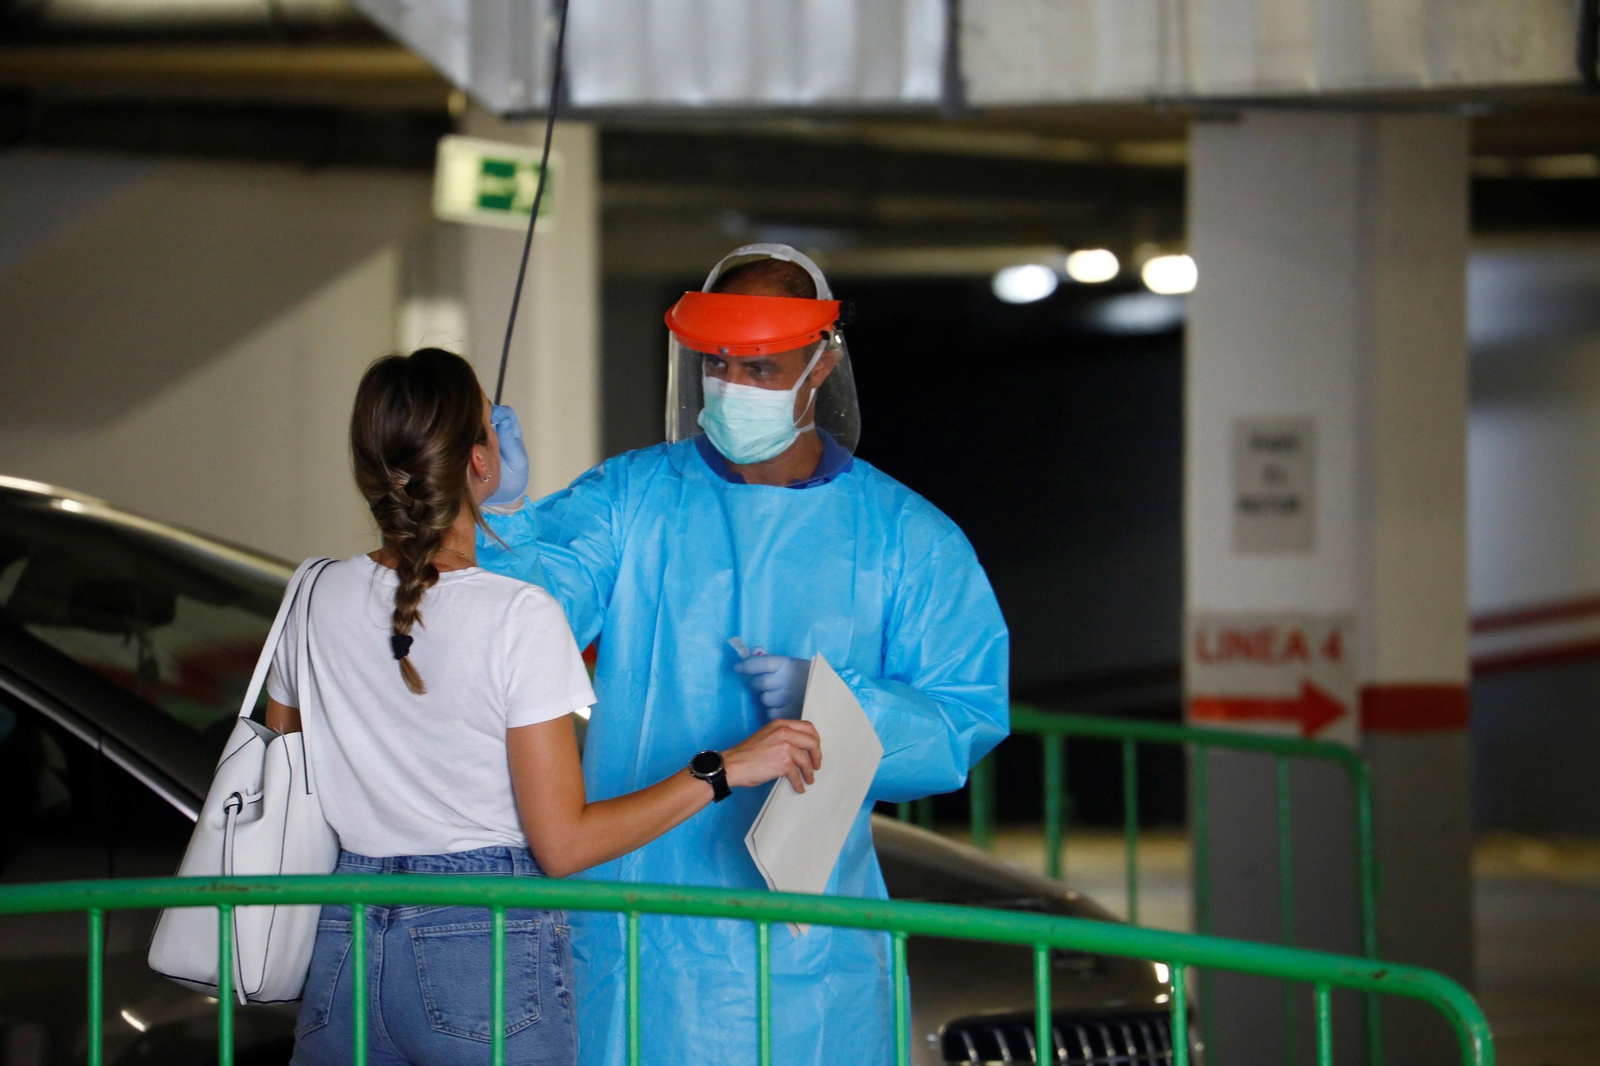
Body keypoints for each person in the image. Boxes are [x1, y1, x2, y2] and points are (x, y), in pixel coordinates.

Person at [477, 245, 1010, 1066]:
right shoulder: (630, 499)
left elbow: (964, 720)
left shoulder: (908, 540)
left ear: (821, 364)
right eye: (717, 364)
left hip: (808, 967)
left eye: (762, 367)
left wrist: (837, 704)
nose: (732, 387)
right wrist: (502, 516)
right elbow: (515, 620)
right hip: (633, 937)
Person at [265, 348, 823, 1066]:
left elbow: (287, 766)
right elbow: (563, 846)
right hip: (481, 944)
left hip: (344, 938)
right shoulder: (519, 614)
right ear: (480, 462)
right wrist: (723, 770)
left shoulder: (310, 593)